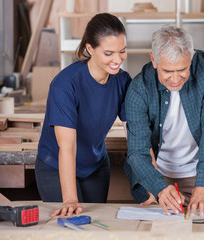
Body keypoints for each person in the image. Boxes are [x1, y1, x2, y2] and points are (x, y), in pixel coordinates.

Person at [124, 25, 204, 215]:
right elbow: (137, 152)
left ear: (192, 56)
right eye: (167, 71)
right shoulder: (139, 87)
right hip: (158, 176)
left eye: (182, 69)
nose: (175, 79)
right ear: (153, 60)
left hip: (199, 173)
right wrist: (158, 187)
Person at [35, 13, 131, 217]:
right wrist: (70, 198)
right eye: (108, 53)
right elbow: (67, 147)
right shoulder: (65, 84)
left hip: (96, 165)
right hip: (56, 165)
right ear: (90, 49)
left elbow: (133, 130)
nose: (117, 59)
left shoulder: (122, 81)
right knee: (70, 223)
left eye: (122, 51)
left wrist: (149, 181)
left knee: (94, 223)